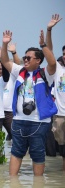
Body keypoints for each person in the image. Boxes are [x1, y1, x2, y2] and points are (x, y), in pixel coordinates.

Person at [0, 30, 57, 176]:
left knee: (38, 155)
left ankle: (38, 184)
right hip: (19, 121)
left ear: (38, 60)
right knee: (16, 153)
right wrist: (5, 44)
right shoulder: (20, 71)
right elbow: (5, 61)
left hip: (39, 122)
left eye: (28, 58)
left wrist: (43, 45)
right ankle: (13, 182)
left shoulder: (46, 74)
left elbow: (52, 62)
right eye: (24, 57)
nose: (25, 60)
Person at [45, 13, 65, 169]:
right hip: (60, 117)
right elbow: (49, 52)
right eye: (64, 53)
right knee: (63, 153)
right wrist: (49, 30)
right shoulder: (58, 70)